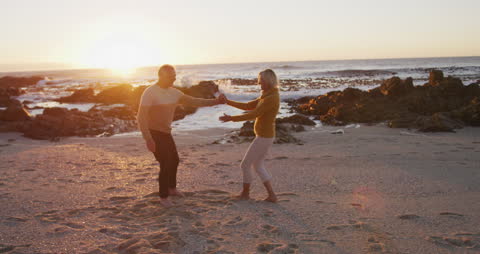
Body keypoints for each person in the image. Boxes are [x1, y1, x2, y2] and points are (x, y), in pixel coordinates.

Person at [137, 64, 226, 207]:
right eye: (170, 76)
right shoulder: (150, 92)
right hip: (153, 133)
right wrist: (148, 139)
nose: (173, 79)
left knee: (175, 160)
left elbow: (195, 101)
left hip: (166, 133)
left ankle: (172, 189)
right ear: (161, 76)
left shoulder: (174, 93)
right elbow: (141, 118)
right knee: (165, 163)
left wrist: (216, 101)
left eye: (174, 76)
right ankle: (163, 196)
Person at [219, 69, 280, 202]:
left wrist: (231, 118)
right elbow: (248, 106)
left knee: (245, 165)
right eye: (259, 80)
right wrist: (227, 102)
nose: (259, 83)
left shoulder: (271, 98)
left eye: (262, 80)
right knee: (258, 165)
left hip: (264, 137)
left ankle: (246, 194)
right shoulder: (266, 95)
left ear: (269, 80)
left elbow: (254, 114)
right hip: (265, 136)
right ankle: (272, 195)